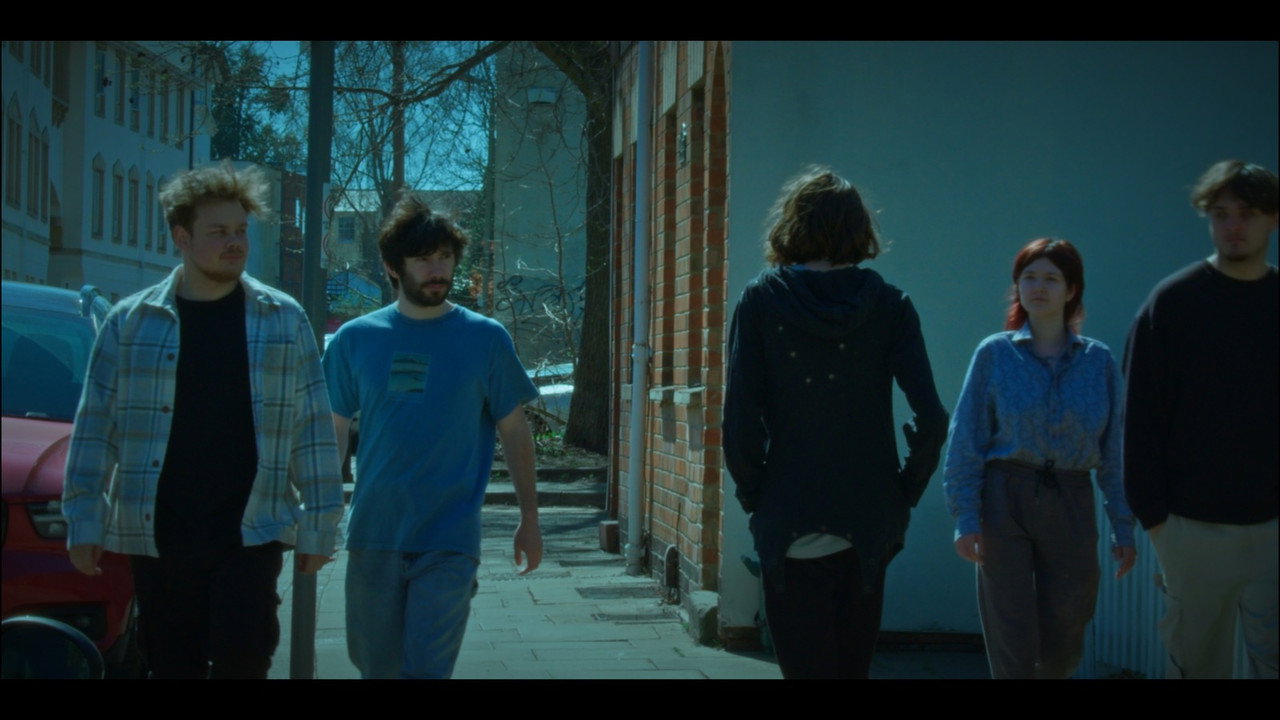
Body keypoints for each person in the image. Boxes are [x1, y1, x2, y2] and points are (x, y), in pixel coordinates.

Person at [61, 162, 345, 679]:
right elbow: (95, 428)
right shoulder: (132, 322)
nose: (235, 243)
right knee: (171, 664)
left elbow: (311, 428)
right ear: (182, 237)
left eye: (240, 231)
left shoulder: (282, 319)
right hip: (159, 532)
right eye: (218, 232)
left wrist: (320, 526)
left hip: (251, 530)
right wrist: (84, 518)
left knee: (244, 658)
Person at [722, 167, 949, 678]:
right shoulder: (890, 306)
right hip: (869, 514)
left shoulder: (762, 302)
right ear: (859, 229)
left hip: (789, 511)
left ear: (792, 225)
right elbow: (933, 419)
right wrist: (903, 492)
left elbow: (739, 424)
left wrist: (757, 498)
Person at [323, 194, 542, 679]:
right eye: (423, 258)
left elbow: (514, 430)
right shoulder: (355, 339)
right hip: (374, 534)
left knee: (425, 669)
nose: (437, 269)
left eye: (445, 256)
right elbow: (333, 427)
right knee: (377, 668)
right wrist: (322, 511)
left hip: (449, 537)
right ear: (393, 266)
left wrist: (529, 517)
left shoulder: (485, 338)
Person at [943, 238, 1136, 679]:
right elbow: (966, 439)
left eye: (1051, 278)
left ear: (1072, 290)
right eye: (1029, 278)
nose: (1039, 287)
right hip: (1004, 496)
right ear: (1017, 287)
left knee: (1067, 625)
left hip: (1071, 497)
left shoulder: (1098, 361)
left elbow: (1115, 452)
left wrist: (1122, 525)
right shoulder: (995, 353)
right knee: (1010, 627)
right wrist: (966, 516)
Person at [1123, 159, 1278, 679]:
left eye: (1247, 213)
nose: (1233, 226)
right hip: (1194, 528)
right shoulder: (1173, 304)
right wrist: (1159, 525)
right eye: (1220, 214)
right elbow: (1139, 421)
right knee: (1198, 667)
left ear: (1273, 219)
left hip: (1275, 528)